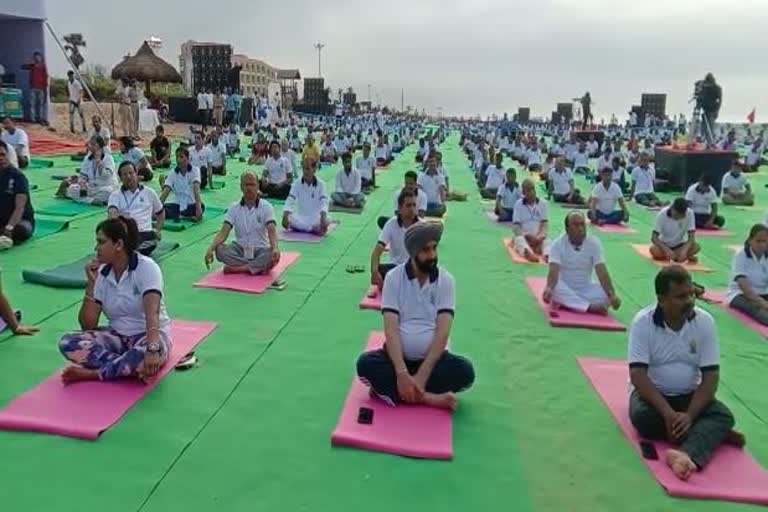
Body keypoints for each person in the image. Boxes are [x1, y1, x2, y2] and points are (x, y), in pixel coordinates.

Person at [628, 265, 742, 481]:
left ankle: (684, 454)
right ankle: (706, 434)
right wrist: (668, 415)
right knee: (642, 419)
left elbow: (711, 377)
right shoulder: (643, 323)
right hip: (654, 397)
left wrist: (689, 416)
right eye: (680, 296)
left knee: (724, 415)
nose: (689, 300)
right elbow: (638, 376)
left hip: (690, 397)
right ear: (662, 299)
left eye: (691, 294)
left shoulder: (704, 322)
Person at [356, 222, 475, 409]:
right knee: (365, 365)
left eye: (434, 248)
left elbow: (442, 333)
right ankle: (428, 398)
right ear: (413, 252)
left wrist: (422, 375)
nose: (432, 255)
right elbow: (391, 330)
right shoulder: (394, 278)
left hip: (431, 362)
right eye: (426, 250)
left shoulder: (446, 281)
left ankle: (392, 391)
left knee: (466, 372)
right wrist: (402, 373)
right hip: (396, 361)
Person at [58, 216, 172, 384]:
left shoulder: (147, 268)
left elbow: (152, 313)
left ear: (118, 245)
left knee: (143, 355)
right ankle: (127, 367)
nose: (96, 248)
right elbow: (88, 325)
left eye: (101, 242)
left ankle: (95, 374)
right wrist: (91, 284)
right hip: (118, 337)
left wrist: (153, 349)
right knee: (68, 342)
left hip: (149, 336)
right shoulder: (102, 274)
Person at [543, 212, 621, 315]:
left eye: (582, 224)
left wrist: (612, 295)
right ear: (567, 229)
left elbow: (601, 271)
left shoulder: (594, 243)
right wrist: (548, 289)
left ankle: (571, 304)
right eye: (575, 225)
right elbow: (553, 271)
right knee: (555, 289)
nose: (580, 228)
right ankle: (589, 307)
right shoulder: (557, 245)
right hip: (565, 286)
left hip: (586, 288)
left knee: (606, 296)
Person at [205, 172, 281, 275]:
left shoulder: (267, 207)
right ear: (241, 187)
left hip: (260, 249)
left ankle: (238, 268)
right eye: (246, 185)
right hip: (240, 249)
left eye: (252, 184)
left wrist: (275, 247)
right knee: (220, 250)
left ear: (258, 186)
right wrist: (211, 248)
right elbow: (224, 232)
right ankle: (255, 267)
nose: (249, 188)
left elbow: (272, 230)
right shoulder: (234, 208)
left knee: (273, 255)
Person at [107, 161, 165, 256]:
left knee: (151, 238)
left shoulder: (149, 192)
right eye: (125, 174)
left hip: (144, 233)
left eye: (131, 173)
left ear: (136, 174)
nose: (128, 177)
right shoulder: (115, 195)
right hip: (125, 233)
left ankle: (126, 250)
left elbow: (161, 213)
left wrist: (158, 229)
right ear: (120, 178)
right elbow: (112, 212)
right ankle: (128, 250)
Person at [370, 189, 421, 293]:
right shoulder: (391, 224)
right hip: (396, 268)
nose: (412, 209)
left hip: (415, 269)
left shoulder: (422, 226)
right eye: (408, 205)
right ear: (400, 208)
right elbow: (377, 251)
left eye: (414, 205)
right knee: (380, 270)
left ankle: (397, 285)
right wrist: (374, 272)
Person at [57, 136, 116, 205]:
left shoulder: (108, 158)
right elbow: (83, 176)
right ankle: (91, 201)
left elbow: (106, 175)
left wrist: (99, 163)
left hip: (105, 187)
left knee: (109, 193)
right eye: (90, 144)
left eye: (93, 144)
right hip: (91, 188)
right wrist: (82, 185)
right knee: (72, 190)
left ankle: (87, 199)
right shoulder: (87, 158)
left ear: (100, 146)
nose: (90, 146)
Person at [0, 141, 35, 249]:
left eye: (2, 154)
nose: (1, 158)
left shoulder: (17, 177)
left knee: (21, 230)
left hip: (19, 221)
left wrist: (9, 228)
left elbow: (20, 207)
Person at [282, 157, 330, 235]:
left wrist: (323, 216)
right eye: (303, 168)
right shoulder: (296, 183)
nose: (305, 171)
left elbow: (324, 202)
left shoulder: (321, 184)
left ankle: (308, 228)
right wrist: (285, 214)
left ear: (314, 169)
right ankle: (312, 229)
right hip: (301, 218)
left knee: (326, 219)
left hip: (316, 218)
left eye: (308, 168)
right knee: (289, 217)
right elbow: (290, 199)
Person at [650, 198, 700, 263]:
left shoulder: (690, 213)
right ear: (672, 208)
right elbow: (654, 237)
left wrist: (684, 251)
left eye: (681, 216)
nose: (678, 218)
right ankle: (680, 256)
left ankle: (677, 256)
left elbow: (691, 238)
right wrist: (666, 250)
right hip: (664, 244)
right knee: (654, 251)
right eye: (676, 215)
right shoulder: (662, 214)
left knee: (696, 247)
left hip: (679, 245)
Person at [160, 147, 204, 221]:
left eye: (181, 157)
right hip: (177, 205)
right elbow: (166, 191)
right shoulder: (173, 172)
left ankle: (179, 215)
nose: (178, 159)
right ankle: (182, 216)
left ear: (187, 158)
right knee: (162, 208)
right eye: (177, 157)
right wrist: (158, 207)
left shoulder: (195, 170)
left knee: (201, 206)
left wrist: (198, 210)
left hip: (191, 204)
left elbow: (196, 191)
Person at [512, 179, 551, 262]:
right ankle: (528, 253)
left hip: (538, 238)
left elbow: (544, 224)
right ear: (523, 192)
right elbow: (516, 226)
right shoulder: (518, 204)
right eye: (528, 190)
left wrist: (540, 236)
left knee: (548, 242)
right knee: (519, 240)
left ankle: (547, 255)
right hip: (525, 237)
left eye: (533, 189)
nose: (532, 192)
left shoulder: (542, 204)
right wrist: (526, 235)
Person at [22, 52, 48, 125]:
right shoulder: (32, 66)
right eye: (36, 57)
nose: (37, 58)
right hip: (33, 87)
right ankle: (33, 119)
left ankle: (40, 118)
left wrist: (45, 87)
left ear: (41, 57)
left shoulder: (43, 66)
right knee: (32, 104)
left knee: (41, 104)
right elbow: (23, 67)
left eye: (38, 57)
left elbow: (45, 77)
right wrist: (31, 63)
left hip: (41, 88)